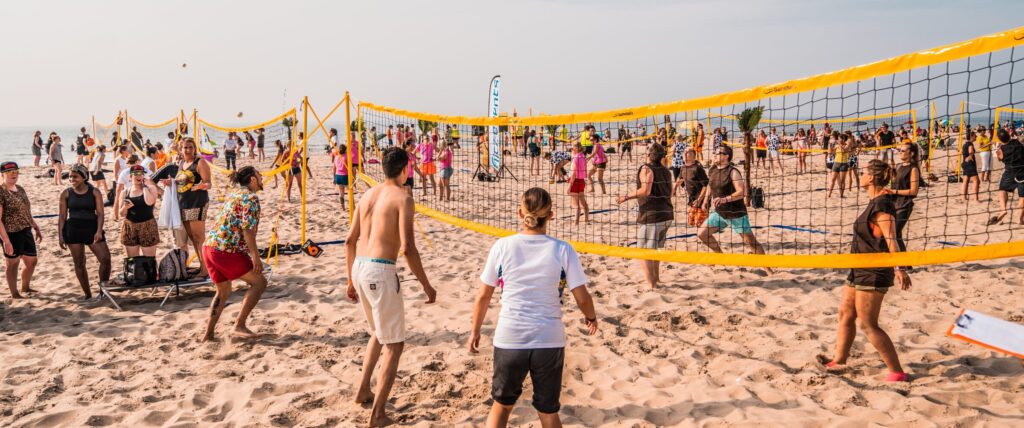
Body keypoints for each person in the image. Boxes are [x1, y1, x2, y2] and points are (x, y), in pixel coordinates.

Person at [468, 187, 598, 428]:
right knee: (547, 411)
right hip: (548, 339)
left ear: (520, 213)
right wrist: (591, 317)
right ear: (551, 215)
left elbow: (483, 296)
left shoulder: (502, 246)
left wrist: (475, 330)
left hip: (510, 337)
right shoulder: (563, 249)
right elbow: (582, 297)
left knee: (502, 406)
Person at [345, 147, 436, 427]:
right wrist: (426, 285)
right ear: (405, 169)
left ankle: (363, 390)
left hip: (359, 266)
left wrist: (350, 279)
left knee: (378, 332)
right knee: (395, 345)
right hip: (380, 270)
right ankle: (377, 415)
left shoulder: (367, 195)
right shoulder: (403, 198)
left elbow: (349, 240)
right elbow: (408, 248)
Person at [820, 159, 912, 382]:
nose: (860, 175)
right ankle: (840, 359)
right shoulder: (875, 202)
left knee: (867, 324)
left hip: (873, 271)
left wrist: (899, 267)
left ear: (871, 178)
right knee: (845, 313)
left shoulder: (882, 206)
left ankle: (897, 371)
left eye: (863, 173)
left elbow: (892, 239)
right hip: (858, 268)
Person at [201, 166, 268, 342]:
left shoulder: (235, 194)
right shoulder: (251, 197)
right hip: (225, 249)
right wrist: (255, 257)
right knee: (259, 282)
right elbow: (248, 230)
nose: (261, 177)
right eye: (259, 174)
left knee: (223, 291)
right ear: (252, 179)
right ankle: (239, 325)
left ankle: (208, 335)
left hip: (209, 246)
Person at [696, 146, 770, 265]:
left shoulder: (733, 172)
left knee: (751, 242)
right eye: (714, 152)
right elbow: (710, 184)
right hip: (720, 213)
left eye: (718, 153)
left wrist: (725, 199)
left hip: (735, 214)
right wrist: (705, 200)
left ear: (726, 156)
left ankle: (768, 268)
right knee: (702, 234)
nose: (714, 154)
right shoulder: (713, 169)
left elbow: (742, 192)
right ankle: (720, 257)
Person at [617, 143, 674, 289]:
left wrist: (625, 197)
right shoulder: (666, 171)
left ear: (649, 154)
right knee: (655, 249)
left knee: (643, 250)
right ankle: (656, 279)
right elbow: (671, 192)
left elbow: (645, 191)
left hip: (652, 215)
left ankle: (651, 284)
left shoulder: (646, 168)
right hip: (667, 214)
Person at [58, 164, 110, 298]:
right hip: (73, 229)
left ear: (84, 177)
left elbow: (100, 213)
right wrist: (60, 235)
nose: (71, 179)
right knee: (79, 263)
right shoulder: (66, 193)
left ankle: (102, 292)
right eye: (70, 177)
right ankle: (87, 294)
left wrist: (99, 231)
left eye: (75, 177)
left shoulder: (94, 192)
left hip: (92, 228)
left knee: (105, 259)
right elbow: (62, 216)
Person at [163, 137, 211, 277]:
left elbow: (209, 183)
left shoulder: (200, 162)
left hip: (197, 202)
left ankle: (205, 269)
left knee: (199, 238)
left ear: (195, 148)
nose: (188, 150)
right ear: (181, 149)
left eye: (191, 147)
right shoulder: (181, 163)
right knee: (193, 238)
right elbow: (181, 182)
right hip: (183, 204)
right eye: (185, 147)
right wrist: (171, 183)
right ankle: (203, 266)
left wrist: (202, 186)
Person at [0, 162, 42, 298]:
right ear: (2, 174)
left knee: (32, 261)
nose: (14, 174)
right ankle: (15, 293)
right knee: (13, 264)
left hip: (26, 229)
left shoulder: (20, 189)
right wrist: (6, 241)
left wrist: (35, 226)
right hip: (10, 233)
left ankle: (25, 287)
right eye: (10, 172)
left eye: (16, 172)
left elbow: (26, 211)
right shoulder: (1, 191)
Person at [119, 165, 160, 257]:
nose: (139, 176)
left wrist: (144, 187)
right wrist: (125, 207)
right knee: (132, 260)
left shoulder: (151, 188)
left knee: (149, 260)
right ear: (130, 176)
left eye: (141, 174)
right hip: (129, 227)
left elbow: (149, 202)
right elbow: (121, 213)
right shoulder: (125, 192)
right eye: (136, 174)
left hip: (148, 226)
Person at [887, 142, 920, 253]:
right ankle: (904, 260)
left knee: (894, 234)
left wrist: (894, 191)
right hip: (893, 204)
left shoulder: (913, 169)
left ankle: (903, 260)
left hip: (904, 205)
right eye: (899, 150)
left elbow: (914, 191)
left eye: (903, 151)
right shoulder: (898, 166)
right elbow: (894, 183)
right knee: (896, 234)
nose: (900, 152)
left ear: (911, 153)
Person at [992, 128, 1024, 225]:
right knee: (1022, 197)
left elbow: (999, 159)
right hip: (1022, 171)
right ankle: (1019, 219)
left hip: (1010, 172)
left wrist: (997, 147)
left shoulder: (1000, 150)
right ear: (1009, 136)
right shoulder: (1017, 142)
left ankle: (1003, 209)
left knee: (1002, 190)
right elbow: (1020, 138)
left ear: (1000, 139)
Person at [568, 143, 589, 224]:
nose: (571, 149)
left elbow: (573, 173)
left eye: (573, 148)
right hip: (582, 181)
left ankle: (576, 222)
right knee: (583, 202)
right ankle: (586, 220)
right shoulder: (583, 156)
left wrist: (569, 186)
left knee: (576, 205)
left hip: (574, 181)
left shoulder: (576, 158)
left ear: (576, 149)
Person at [828, 133, 851, 198]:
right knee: (833, 179)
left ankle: (841, 195)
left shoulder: (847, 145)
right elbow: (831, 153)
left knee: (842, 180)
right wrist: (830, 146)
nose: (838, 140)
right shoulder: (836, 145)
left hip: (844, 164)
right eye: (838, 139)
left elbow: (844, 150)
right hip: (836, 163)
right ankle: (829, 194)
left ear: (843, 139)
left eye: (839, 139)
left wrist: (839, 144)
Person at [961, 130, 981, 203]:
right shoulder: (970, 144)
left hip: (964, 164)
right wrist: (970, 156)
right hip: (970, 165)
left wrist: (967, 157)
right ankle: (975, 199)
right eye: (975, 135)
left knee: (965, 181)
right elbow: (970, 151)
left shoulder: (965, 144)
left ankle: (964, 197)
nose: (976, 136)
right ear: (971, 136)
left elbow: (962, 152)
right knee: (976, 181)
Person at [332, 144, 350, 211]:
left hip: (338, 176)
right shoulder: (347, 156)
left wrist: (334, 178)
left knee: (341, 193)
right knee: (349, 192)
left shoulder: (336, 157)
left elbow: (334, 168)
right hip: (345, 176)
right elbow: (350, 167)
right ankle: (352, 206)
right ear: (345, 150)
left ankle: (343, 207)